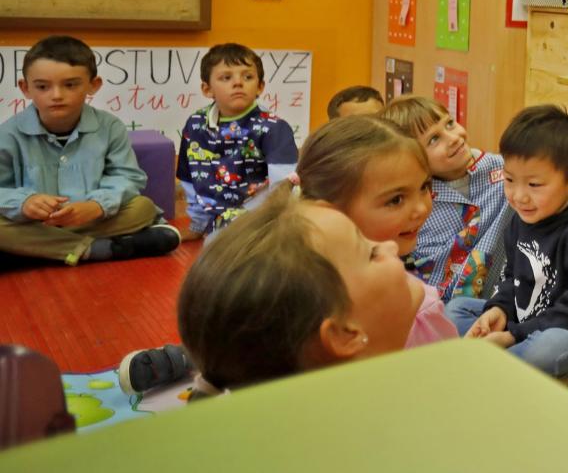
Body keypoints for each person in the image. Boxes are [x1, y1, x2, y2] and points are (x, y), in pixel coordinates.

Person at [119, 115, 452, 394]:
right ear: (329, 206)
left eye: (425, 187)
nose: (422, 208)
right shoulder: (414, 304)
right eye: (395, 199)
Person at [444, 105, 568, 387]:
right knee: (455, 310)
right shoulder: (521, 218)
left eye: (535, 184)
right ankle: (533, 372)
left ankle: (512, 369)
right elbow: (511, 277)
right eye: (510, 180)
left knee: (550, 348)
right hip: (532, 323)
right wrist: (499, 310)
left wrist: (514, 334)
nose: (518, 196)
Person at [0, 36, 180, 265]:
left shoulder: (109, 126)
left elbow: (128, 177)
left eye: (70, 84)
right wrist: (24, 202)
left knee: (142, 207)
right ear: (25, 88)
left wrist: (97, 206)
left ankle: (36, 250)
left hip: (91, 219)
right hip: (32, 223)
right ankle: (94, 249)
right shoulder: (7, 134)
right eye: (42, 86)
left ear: (93, 85)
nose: (56, 95)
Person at [381, 95, 511, 302]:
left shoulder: (506, 172)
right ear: (410, 158)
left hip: (500, 301)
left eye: (450, 124)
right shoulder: (416, 205)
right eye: (434, 140)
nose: (454, 138)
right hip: (433, 310)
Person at [176, 43, 298, 239]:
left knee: (219, 246)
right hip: (216, 215)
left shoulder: (274, 128)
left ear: (260, 87)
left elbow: (284, 186)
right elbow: (190, 178)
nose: (238, 83)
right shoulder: (195, 124)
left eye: (247, 77)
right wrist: (197, 224)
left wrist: (275, 227)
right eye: (226, 77)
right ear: (207, 89)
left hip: (259, 216)